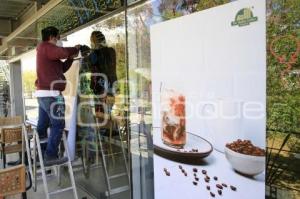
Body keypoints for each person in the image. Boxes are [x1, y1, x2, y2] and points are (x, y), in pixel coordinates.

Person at [35, 26, 80, 166]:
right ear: (52, 37)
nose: (59, 40)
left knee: (42, 126)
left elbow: (62, 68)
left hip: (44, 95)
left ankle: (41, 155)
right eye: (58, 38)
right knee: (58, 124)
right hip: (52, 95)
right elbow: (61, 52)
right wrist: (76, 49)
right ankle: (50, 155)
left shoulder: (44, 51)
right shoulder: (46, 47)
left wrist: (71, 58)